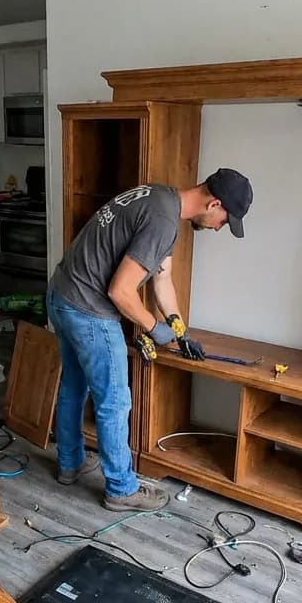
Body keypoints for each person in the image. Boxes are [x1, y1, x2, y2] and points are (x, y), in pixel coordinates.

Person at [47, 168, 253, 512]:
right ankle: (122, 489)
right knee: (114, 402)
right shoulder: (163, 222)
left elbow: (162, 279)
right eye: (224, 220)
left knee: (74, 385)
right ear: (213, 203)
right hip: (89, 312)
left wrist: (179, 329)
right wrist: (153, 329)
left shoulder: (161, 199)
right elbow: (121, 291)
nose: (219, 228)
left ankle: (69, 464)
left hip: (62, 296)